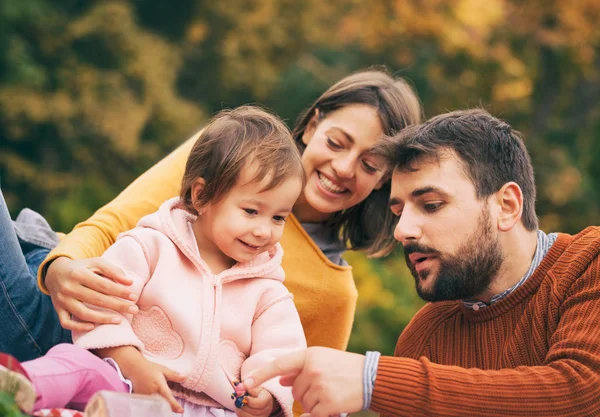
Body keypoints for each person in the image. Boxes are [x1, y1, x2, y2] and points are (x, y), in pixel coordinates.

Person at [0, 68, 421, 363]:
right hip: (64, 288)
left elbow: (300, 400)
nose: (344, 168)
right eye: (337, 142)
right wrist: (61, 267)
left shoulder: (333, 294)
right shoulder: (230, 155)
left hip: (103, 358)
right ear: (312, 126)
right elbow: (113, 222)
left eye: (369, 165)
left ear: (384, 180)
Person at [239, 109, 600, 417]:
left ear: (506, 206)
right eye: (398, 210)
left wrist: (372, 379)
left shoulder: (589, 261)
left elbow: (583, 393)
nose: (403, 231)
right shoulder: (425, 337)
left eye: (430, 205)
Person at [0, 106, 307, 416]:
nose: (264, 230)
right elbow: (103, 310)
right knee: (75, 363)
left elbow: (281, 353)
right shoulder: (149, 246)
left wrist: (266, 395)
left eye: (279, 217)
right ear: (201, 196)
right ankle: (19, 389)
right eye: (251, 212)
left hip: (213, 410)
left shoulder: (269, 293)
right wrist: (132, 363)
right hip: (126, 382)